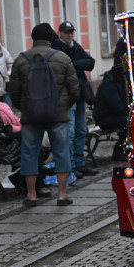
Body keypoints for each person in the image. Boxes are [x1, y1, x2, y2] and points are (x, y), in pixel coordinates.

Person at [8, 23, 80, 207]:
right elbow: (74, 88)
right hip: (57, 114)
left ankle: (31, 195)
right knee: (61, 152)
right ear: (51, 38)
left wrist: (24, 107)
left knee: (29, 153)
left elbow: (14, 91)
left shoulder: (21, 60)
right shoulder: (62, 58)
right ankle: (62, 195)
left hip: (31, 115)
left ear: (33, 38)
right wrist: (64, 106)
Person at [51, 21, 98, 178]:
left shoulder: (74, 46)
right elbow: (64, 67)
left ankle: (80, 163)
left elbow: (90, 63)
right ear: (60, 33)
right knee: (70, 132)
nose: (70, 34)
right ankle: (70, 165)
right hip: (67, 96)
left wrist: (72, 63)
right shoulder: (56, 48)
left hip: (80, 93)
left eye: (72, 31)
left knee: (80, 131)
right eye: (67, 32)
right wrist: (76, 64)